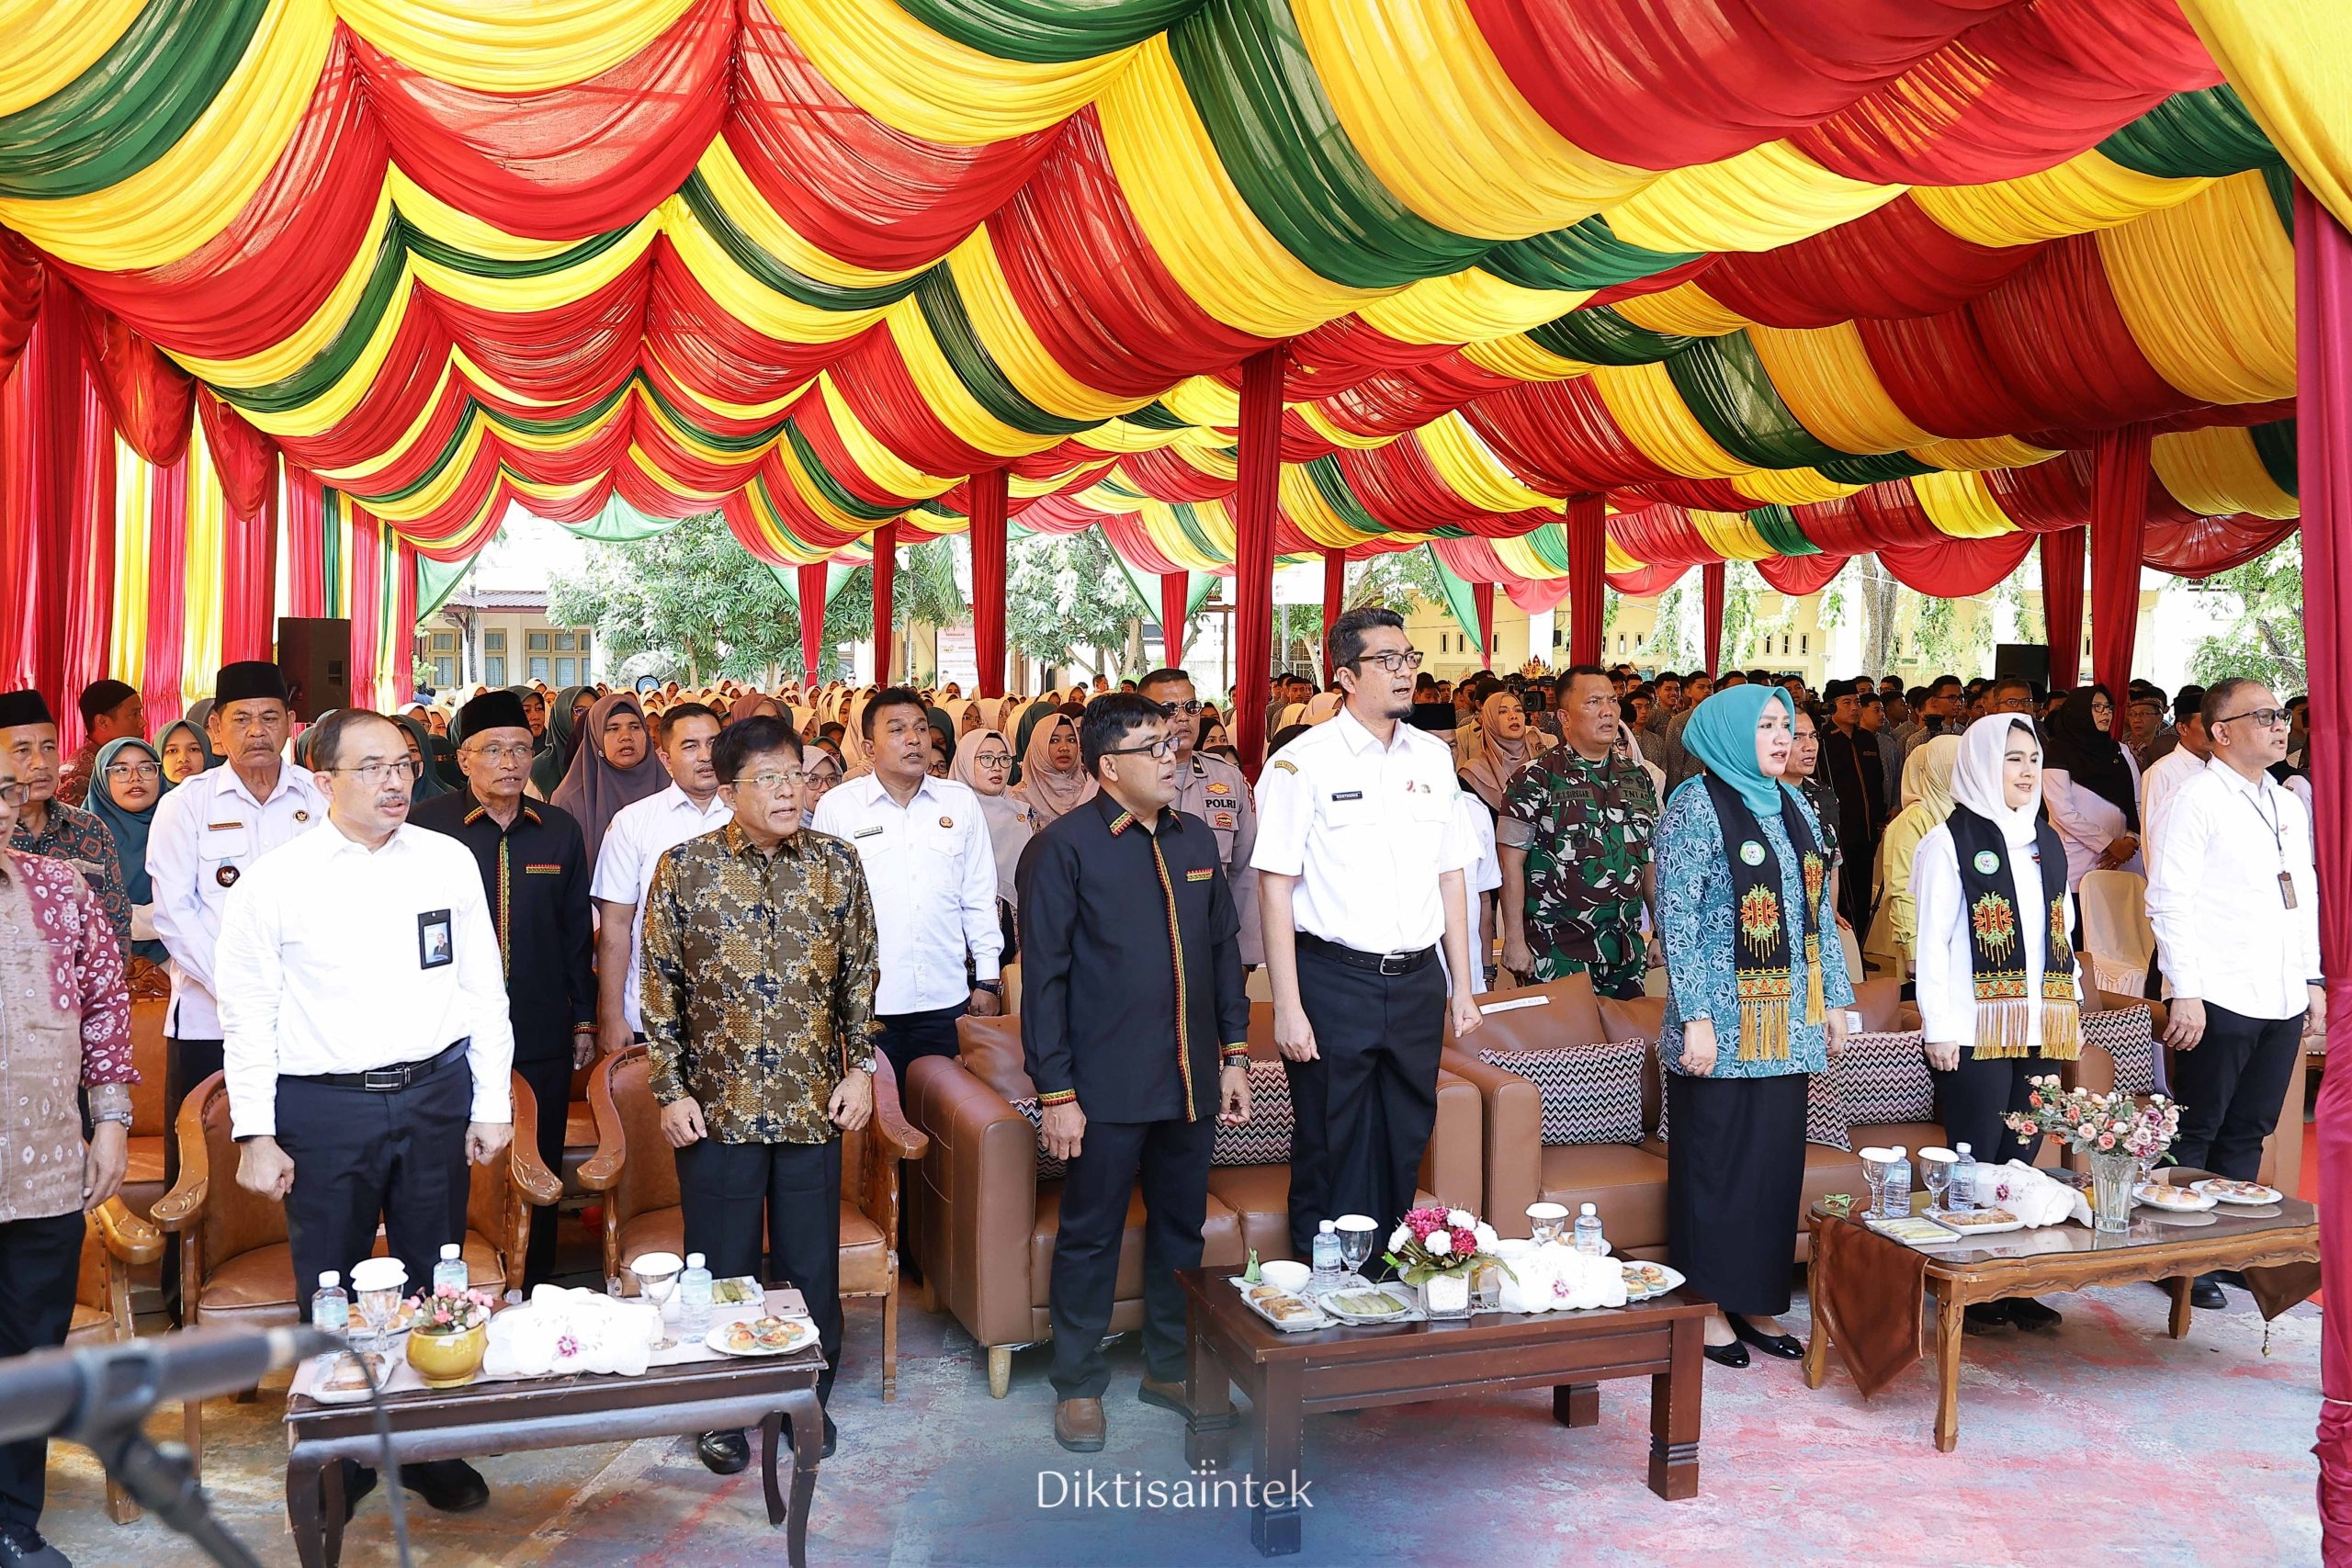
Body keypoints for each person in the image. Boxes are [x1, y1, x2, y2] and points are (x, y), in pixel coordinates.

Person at [216, 707, 515, 1516]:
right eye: (373, 766)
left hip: (434, 1097)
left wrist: (491, 1101)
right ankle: (339, 1455)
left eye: (405, 765)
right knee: (332, 1284)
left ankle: (428, 1446)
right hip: (325, 1108)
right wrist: (255, 1130)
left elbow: (482, 985)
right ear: (322, 782)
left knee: (435, 1277)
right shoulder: (276, 879)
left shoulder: (447, 860)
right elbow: (246, 1012)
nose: (395, 781)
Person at [641, 714, 876, 1472]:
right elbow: (659, 988)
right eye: (769, 778)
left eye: (798, 774)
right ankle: (721, 1411)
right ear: (729, 787)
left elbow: (860, 978)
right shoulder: (684, 867)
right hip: (716, 1111)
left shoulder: (838, 864)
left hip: (815, 1103)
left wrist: (860, 1068)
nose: (790, 790)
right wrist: (670, 1089)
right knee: (723, 1267)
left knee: (811, 1269)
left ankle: (803, 1400)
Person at [1018, 695, 1250, 1452]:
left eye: (1172, 742)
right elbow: (1044, 982)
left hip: (1188, 1080)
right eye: (1152, 746)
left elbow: (1223, 957)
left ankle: (1169, 1364)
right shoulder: (1063, 849)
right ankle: (1078, 1383)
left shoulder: (1192, 841)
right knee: (1090, 1235)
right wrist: (1057, 1094)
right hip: (1103, 1088)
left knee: (1180, 1229)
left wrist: (1236, 1054)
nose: (1170, 755)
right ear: (1109, 765)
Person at [1252, 607, 1483, 1258]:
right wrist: (1289, 1006)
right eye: (1388, 660)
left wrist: (1463, 984)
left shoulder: (1435, 758)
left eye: (1409, 658)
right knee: (1331, 1138)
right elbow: (1274, 885)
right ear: (1346, 676)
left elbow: (1451, 876)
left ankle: (1384, 1280)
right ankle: (1322, 1285)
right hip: (1334, 980)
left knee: (1406, 1133)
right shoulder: (1303, 764)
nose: (1405, 671)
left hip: (1415, 981)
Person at [1653, 685, 1852, 1367]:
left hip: (1786, 1022)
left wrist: (1834, 1003)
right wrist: (1697, 1019)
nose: (1780, 737)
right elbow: (1677, 919)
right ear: (1728, 733)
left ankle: (1758, 1300)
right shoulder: (1693, 806)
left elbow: (1818, 913)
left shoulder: (1794, 801)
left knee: (1771, 1169)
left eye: (1786, 725)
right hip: (1718, 1023)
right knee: (1716, 1166)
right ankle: (1707, 1306)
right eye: (1765, 725)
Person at [145, 661, 328, 1320]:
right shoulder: (184, 806)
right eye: (242, 719)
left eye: (270, 717)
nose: (257, 731)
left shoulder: (320, 797)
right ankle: (184, 1309)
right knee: (203, 1165)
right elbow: (174, 914)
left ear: (290, 725)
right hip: (208, 1022)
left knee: (305, 1156)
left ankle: (311, 1294)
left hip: (306, 1023)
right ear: (216, 728)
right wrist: (243, 992)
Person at [410, 691, 597, 1289]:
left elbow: (576, 937)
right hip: (449, 1031)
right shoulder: (426, 828)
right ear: (463, 760)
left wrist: (584, 1019)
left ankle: (534, 1282)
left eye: (521, 748)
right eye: (494, 749)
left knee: (534, 1157)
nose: (511, 762)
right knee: (453, 1163)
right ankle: (453, 1287)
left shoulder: (559, 831)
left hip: (539, 1028)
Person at [0, 750, 134, 1568]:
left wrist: (112, 1120)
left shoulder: (59, 887)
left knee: (30, 1353)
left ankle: (14, 1521)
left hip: (44, 1166)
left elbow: (106, 1004)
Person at [2147, 678, 2320, 1311]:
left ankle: (2224, 1249)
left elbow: (2303, 896)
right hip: (2218, 990)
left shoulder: (2285, 801)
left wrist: (2312, 980)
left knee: (2250, 1128)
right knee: (2198, 1127)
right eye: (2264, 716)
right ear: (2221, 732)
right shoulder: (2193, 799)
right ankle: (2174, 1255)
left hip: (2277, 990)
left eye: (2281, 716)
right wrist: (2184, 990)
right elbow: (2167, 899)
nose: (2281, 725)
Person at [1913, 715, 2083, 1333]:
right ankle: (1965, 1284)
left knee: (2022, 1154)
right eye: (2013, 759)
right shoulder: (1947, 843)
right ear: (1984, 764)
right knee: (1978, 1155)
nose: (2028, 770)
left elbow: (2061, 931)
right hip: (1974, 1027)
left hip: (2040, 1021)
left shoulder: (2047, 842)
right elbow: (1931, 944)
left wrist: (2073, 1010)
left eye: (2034, 758)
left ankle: (2011, 1282)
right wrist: (1939, 1024)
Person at [812, 688, 1003, 1083]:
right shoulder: (839, 807)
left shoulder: (959, 802)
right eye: (897, 730)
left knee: (944, 1114)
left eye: (919, 728)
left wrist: (987, 977)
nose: (914, 739)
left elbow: (978, 896)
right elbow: (825, 910)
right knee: (877, 1126)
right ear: (869, 746)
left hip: (947, 997)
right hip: (868, 1003)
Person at [1497, 667, 1658, 998]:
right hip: (1557, 952)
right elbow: (1509, 864)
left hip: (1625, 951)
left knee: (1623, 1049)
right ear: (1564, 716)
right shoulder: (1535, 778)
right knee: (1558, 1050)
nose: (1608, 711)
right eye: (1593, 702)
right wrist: (1514, 939)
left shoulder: (1637, 777)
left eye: (1613, 701)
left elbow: (1649, 861)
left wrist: (1660, 931)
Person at [592, 704, 733, 1060]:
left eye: (713, 743)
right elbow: (616, 924)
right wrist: (611, 1015)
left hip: (739, 1012)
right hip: (653, 1010)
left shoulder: (749, 815)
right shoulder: (634, 823)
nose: (705, 756)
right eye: (689, 746)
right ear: (666, 758)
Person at [1137, 669, 1261, 967]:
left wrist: (1243, 958)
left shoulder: (1227, 777)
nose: (1183, 718)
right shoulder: (1121, 778)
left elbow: (1246, 872)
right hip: (1140, 947)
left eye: (1191, 707)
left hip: (1210, 946)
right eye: (1169, 709)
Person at [0, 690, 135, 962]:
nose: (41, 763)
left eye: (49, 747)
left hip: (78, 997)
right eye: (23, 750)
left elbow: (116, 928)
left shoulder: (90, 830)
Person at [1865, 734, 1962, 976]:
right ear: (1937, 771)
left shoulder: (1968, 813)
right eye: (1956, 767)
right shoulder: (1913, 820)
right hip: (1928, 947)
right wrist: (1914, 951)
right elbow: (1902, 888)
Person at [551, 692, 666, 874]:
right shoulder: (570, 799)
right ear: (595, 736)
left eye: (635, 727)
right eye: (612, 728)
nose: (626, 736)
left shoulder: (667, 787)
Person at [2041, 686, 2142, 890]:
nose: (2106, 713)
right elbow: (2062, 812)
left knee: (2119, 919)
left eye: (2108, 707)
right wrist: (2109, 844)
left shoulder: (2120, 751)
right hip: (2077, 860)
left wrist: (2130, 841)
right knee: (2080, 918)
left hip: (2123, 857)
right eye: (2097, 707)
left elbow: (2138, 802)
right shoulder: (2057, 752)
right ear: (2078, 711)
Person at [88, 737, 172, 968]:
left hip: (181, 957)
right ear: (102, 779)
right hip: (97, 962)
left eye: (146, 768)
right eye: (121, 770)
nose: (135, 777)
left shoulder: (182, 827)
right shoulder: (79, 835)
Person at [949, 728, 1033, 960]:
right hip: (962, 927)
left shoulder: (1025, 814)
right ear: (965, 761)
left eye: (1004, 759)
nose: (997, 767)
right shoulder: (950, 816)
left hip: (1016, 926)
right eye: (986, 758)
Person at [1816, 680, 1886, 931]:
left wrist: (1879, 820)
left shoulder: (1867, 740)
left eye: (1857, 702)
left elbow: (1877, 783)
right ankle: (1843, 949)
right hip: (1839, 831)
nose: (1855, 707)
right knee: (1840, 893)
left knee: (1862, 891)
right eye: (1847, 703)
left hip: (1867, 831)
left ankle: (1860, 947)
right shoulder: (1823, 741)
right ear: (1831, 707)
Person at [2139, 689, 2214, 860]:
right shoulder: (2161, 772)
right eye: (2205, 724)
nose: (2213, 730)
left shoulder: (2222, 767)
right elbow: (2151, 836)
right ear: (2182, 728)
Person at [56, 679, 144, 808]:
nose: (143, 722)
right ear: (103, 722)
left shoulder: (127, 760)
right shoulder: (79, 775)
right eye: (134, 714)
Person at [1458, 689, 1544, 818]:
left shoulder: (1543, 763)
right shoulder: (1472, 775)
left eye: (1518, 710)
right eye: (1502, 711)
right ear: (1490, 719)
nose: (1513, 716)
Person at [1012, 712, 1098, 829]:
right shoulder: (1019, 800)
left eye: (1071, 740)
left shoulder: (1090, 792)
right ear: (1039, 747)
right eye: (1054, 740)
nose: (1064, 748)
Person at [530, 685, 594, 798]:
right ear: (562, 717)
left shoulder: (608, 760)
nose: (588, 716)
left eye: (594, 709)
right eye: (580, 711)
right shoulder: (538, 770)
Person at [157, 716, 217, 785]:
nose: (183, 759)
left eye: (193, 749)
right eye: (172, 751)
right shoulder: (148, 795)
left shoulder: (226, 794)